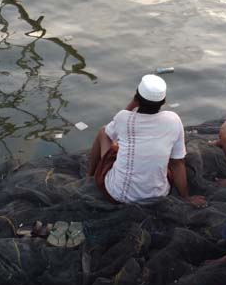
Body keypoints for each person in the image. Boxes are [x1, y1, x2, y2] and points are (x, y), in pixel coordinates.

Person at [87, 74, 206, 207]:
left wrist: (133, 103)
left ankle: (91, 174)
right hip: (158, 195)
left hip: (118, 195)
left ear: (136, 98)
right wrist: (186, 197)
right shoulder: (173, 120)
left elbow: (113, 128)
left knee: (103, 132)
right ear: (164, 101)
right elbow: (177, 164)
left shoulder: (123, 118)